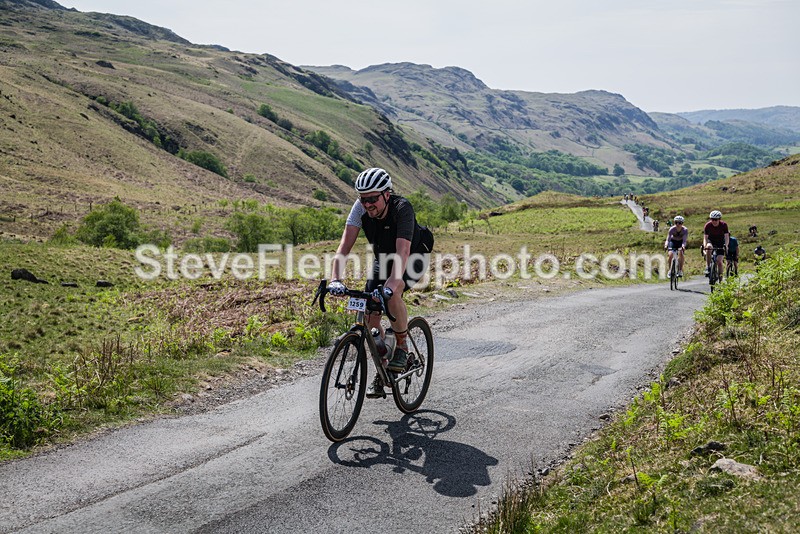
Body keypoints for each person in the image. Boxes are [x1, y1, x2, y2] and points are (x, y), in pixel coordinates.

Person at [328, 167, 433, 399]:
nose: (368, 204)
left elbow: (403, 252)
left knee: (393, 293)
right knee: (369, 316)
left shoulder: (402, 208)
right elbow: (344, 247)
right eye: (363, 199)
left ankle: (403, 346)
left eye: (373, 198)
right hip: (383, 256)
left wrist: (391, 286)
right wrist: (335, 278)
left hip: (413, 255)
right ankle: (383, 366)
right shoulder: (359, 209)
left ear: (386, 194)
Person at [703, 210, 730, 280]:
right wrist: (705, 246)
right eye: (712, 219)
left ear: (719, 219)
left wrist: (726, 245)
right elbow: (705, 238)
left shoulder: (724, 225)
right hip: (711, 240)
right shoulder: (707, 225)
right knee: (708, 247)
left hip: (720, 242)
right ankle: (708, 267)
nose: (714, 221)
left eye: (716, 220)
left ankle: (720, 281)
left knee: (720, 262)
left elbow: (727, 236)